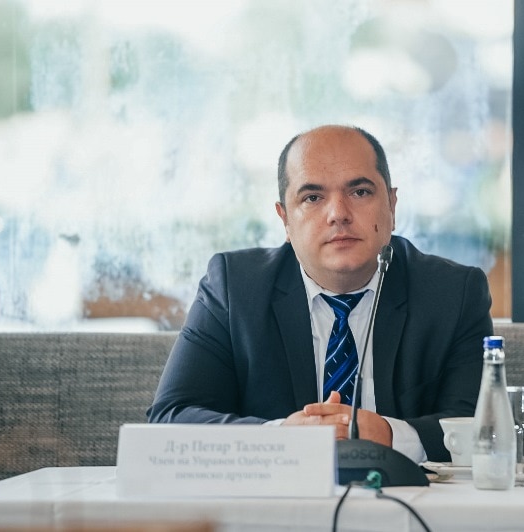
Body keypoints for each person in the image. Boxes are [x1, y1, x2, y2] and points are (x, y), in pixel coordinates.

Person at [147, 124, 494, 463]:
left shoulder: (453, 292)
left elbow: (482, 427)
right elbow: (170, 417)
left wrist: (392, 436)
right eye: (312, 198)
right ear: (285, 219)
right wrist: (280, 438)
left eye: (360, 192)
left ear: (391, 206)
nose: (338, 214)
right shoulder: (234, 288)